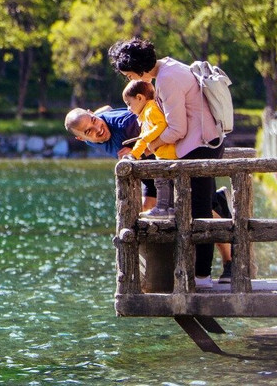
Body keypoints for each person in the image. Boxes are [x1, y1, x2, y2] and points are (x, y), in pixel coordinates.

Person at [64, 103, 233, 282]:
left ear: (91, 113)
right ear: (81, 139)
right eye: (88, 131)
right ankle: (152, 275)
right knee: (144, 212)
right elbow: (105, 108)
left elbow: (162, 127)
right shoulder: (94, 123)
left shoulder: (127, 123)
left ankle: (228, 262)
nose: (97, 128)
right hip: (148, 169)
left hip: (172, 158)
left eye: (94, 121)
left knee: (203, 210)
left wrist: (138, 149)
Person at [108, 38, 225, 288]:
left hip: (199, 148)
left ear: (139, 68)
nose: (131, 81)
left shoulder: (167, 79)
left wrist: (151, 145)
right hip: (201, 144)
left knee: (199, 214)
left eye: (129, 75)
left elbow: (176, 129)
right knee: (199, 210)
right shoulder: (170, 67)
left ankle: (202, 277)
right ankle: (201, 273)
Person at [122, 79, 175, 217]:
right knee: (165, 181)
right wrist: (134, 154)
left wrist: (147, 138)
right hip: (163, 154)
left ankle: (163, 208)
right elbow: (142, 139)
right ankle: (168, 209)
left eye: (129, 104)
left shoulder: (151, 109)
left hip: (167, 153)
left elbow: (161, 124)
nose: (128, 108)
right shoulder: (145, 114)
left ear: (139, 98)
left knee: (161, 181)